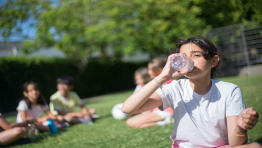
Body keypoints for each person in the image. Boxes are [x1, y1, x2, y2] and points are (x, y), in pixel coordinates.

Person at [122, 37, 261, 148]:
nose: (188, 60)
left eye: (196, 55)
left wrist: (241, 127)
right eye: (183, 56)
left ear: (213, 61)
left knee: (254, 146)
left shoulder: (230, 91)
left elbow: (235, 143)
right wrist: (163, 78)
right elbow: (128, 108)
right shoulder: (175, 88)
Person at [126, 59, 174, 128]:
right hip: (157, 111)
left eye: (150, 70)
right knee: (130, 122)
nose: (148, 72)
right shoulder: (157, 83)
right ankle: (165, 121)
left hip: (166, 112)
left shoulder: (168, 83)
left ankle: (168, 120)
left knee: (134, 123)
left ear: (160, 71)